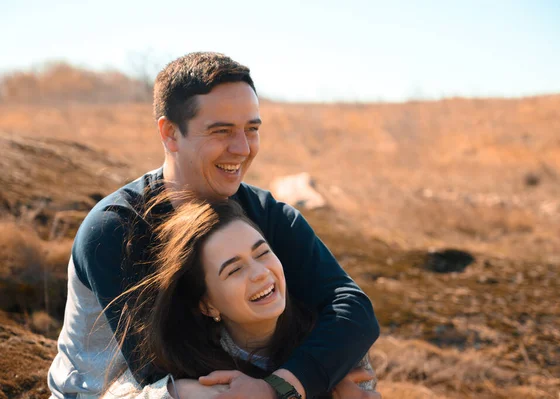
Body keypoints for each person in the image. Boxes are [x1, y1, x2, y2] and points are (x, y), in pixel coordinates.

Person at [48, 52, 380, 399]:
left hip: (231, 377)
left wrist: (291, 382)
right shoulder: (115, 230)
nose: (242, 148)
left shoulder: (263, 213)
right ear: (170, 133)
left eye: (251, 129)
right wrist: (316, 384)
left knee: (351, 360)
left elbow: (351, 307)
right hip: (125, 391)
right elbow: (162, 369)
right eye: (221, 131)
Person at [101, 195, 376, 399]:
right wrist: (179, 392)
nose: (259, 273)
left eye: (262, 253)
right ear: (207, 304)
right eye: (234, 269)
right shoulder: (187, 361)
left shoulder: (332, 340)